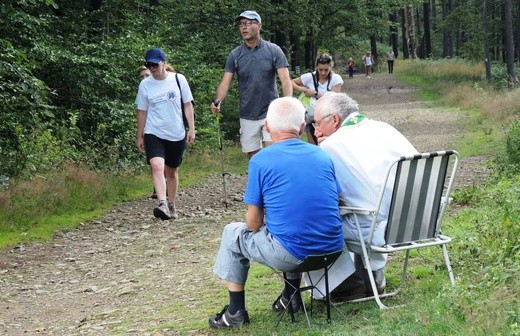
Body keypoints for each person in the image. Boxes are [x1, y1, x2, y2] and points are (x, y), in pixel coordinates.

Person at [208, 97, 344, 328]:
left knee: (233, 232)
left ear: (267, 128)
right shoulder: (322, 155)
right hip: (331, 250)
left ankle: (235, 312)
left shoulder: (261, 160)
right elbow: (337, 199)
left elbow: (252, 224)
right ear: (302, 128)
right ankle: (291, 299)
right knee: (287, 226)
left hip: (292, 254)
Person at [313, 92, 418, 297]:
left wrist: (322, 148)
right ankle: (372, 273)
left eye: (317, 124)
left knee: (314, 222)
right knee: (367, 204)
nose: (316, 132)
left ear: (334, 120)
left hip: (380, 230)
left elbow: (326, 197)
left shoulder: (330, 146)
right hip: (419, 221)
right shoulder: (384, 128)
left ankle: (343, 285)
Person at [210, 10, 293, 159]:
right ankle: (257, 182)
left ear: (259, 25)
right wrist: (218, 101)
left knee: (272, 153)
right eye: (241, 24)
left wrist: (287, 103)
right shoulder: (235, 55)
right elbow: (225, 83)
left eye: (248, 23)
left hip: (271, 112)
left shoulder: (274, 51)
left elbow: (286, 80)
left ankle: (271, 183)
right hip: (247, 113)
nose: (244, 27)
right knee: (253, 158)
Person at [136, 48, 196, 220]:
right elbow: (142, 111)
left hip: (176, 132)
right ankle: (162, 203)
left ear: (163, 62)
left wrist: (191, 128)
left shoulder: (178, 79)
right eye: (149, 65)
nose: (152, 68)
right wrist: (139, 135)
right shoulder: (145, 85)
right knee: (156, 166)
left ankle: (171, 203)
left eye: (155, 64)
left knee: (171, 172)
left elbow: (187, 105)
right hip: (153, 131)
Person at [291, 53, 343, 145]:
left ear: (331, 67)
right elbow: (292, 82)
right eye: (320, 70)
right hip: (311, 119)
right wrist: (302, 89)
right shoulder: (310, 77)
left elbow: (334, 100)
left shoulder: (336, 79)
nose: (323, 73)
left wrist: (315, 94)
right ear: (316, 67)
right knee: (313, 146)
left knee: (328, 145)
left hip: (328, 119)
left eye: (326, 70)